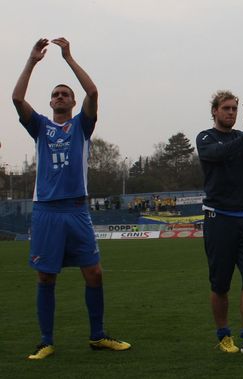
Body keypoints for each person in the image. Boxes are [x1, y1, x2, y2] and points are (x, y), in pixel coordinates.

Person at [12, 38, 131, 360]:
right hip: (47, 211)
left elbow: (93, 93)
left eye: (65, 94)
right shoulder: (40, 127)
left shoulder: (81, 125)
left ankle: (97, 336)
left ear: (73, 102)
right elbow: (16, 97)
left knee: (94, 273)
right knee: (45, 275)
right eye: (55, 94)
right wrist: (32, 61)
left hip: (77, 209)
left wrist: (68, 58)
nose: (60, 97)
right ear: (50, 103)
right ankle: (46, 341)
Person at [196, 91, 243, 354]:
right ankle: (224, 336)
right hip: (219, 218)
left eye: (234, 109)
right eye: (226, 108)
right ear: (215, 111)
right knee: (220, 284)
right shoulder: (205, 138)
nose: (231, 113)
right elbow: (219, 154)